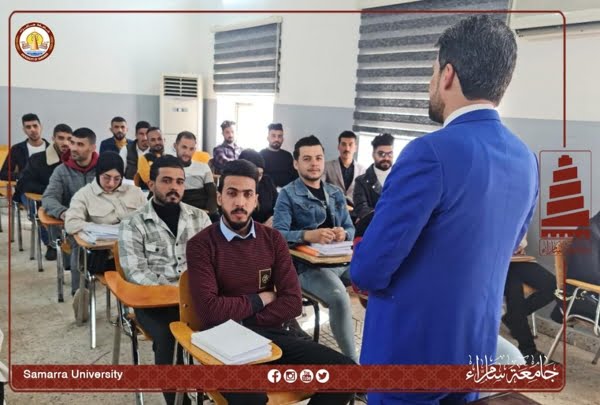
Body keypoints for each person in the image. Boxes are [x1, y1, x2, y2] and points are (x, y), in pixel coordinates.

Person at [350, 15, 538, 404]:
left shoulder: (429, 153)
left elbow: (370, 269)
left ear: (448, 74)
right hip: (475, 348)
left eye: (432, 72)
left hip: (410, 352)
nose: (430, 82)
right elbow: (511, 244)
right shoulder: (525, 159)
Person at [186, 159, 355, 405]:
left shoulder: (273, 239)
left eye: (247, 194)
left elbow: (292, 303)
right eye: (232, 193)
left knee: (346, 373)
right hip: (224, 341)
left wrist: (244, 318)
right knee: (252, 400)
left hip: (273, 335)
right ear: (219, 198)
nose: (240, 202)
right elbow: (209, 312)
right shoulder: (201, 245)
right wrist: (261, 299)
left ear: (256, 200)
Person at [118, 155, 211, 405]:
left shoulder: (200, 218)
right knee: (168, 337)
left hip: (196, 297)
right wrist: (176, 291)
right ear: (151, 185)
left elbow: (212, 263)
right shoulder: (133, 223)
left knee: (231, 322)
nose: (174, 187)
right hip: (154, 301)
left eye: (179, 182)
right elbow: (136, 272)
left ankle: (223, 392)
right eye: (166, 181)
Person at [273, 135, 357, 362]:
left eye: (318, 158)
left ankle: (380, 349)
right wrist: (308, 235)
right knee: (339, 298)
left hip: (340, 260)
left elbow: (350, 227)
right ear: (296, 163)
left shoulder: (335, 193)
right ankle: (353, 365)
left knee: (378, 281)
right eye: (307, 159)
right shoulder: (287, 194)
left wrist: (343, 233)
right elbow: (277, 235)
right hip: (306, 267)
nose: (314, 164)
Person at [42, 127, 99, 295]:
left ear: (92, 148)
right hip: (76, 224)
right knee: (79, 244)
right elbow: (49, 198)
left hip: (102, 221)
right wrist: (63, 212)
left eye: (80, 144)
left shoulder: (103, 169)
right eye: (72, 142)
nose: (73, 147)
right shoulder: (61, 170)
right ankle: (80, 292)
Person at [15, 123, 72, 260]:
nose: (65, 142)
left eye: (69, 139)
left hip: (62, 197)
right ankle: (51, 244)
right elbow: (26, 184)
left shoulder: (75, 159)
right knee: (42, 207)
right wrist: (52, 191)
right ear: (53, 139)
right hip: (36, 195)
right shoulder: (37, 158)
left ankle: (72, 244)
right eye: (61, 138)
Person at [502, 236, 555, 365]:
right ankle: (528, 351)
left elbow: (522, 235)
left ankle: (513, 318)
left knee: (554, 286)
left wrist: (521, 244)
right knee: (514, 286)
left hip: (516, 259)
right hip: (494, 261)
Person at [173, 131, 218, 218]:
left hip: (203, 212)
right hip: (179, 212)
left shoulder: (203, 167)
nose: (187, 152)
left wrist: (209, 214)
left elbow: (212, 195)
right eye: (184, 147)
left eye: (191, 149)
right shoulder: (168, 168)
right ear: (175, 146)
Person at [352, 133, 394, 221]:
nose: (386, 158)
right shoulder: (361, 181)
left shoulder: (400, 178)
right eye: (381, 154)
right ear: (373, 154)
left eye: (390, 154)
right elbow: (361, 209)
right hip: (371, 226)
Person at [0, 113, 49, 181]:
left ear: (41, 127)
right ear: (24, 130)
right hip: (25, 186)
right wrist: (21, 176)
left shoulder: (52, 149)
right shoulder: (16, 149)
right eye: (28, 127)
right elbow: (3, 174)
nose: (32, 129)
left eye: (35, 126)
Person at [322, 130, 365, 207]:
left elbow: (364, 195)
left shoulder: (363, 170)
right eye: (343, 144)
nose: (347, 148)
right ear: (338, 147)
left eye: (350, 144)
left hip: (354, 210)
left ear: (355, 148)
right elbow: (320, 188)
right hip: (333, 208)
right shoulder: (327, 166)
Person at [239, 149, 278, 226]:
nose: (257, 179)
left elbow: (278, 205)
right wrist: (262, 227)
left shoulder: (266, 181)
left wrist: (274, 217)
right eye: (253, 174)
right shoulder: (236, 188)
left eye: (260, 174)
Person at [259, 123, 297, 188]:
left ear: (283, 139)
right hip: (266, 191)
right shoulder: (260, 155)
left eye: (279, 136)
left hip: (286, 191)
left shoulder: (288, 156)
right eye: (273, 136)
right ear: (268, 138)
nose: (276, 139)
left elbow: (294, 177)